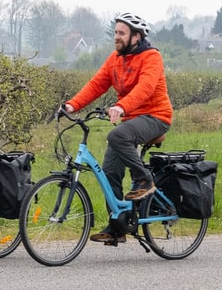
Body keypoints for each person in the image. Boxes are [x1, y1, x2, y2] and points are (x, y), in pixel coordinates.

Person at [60, 12, 173, 245]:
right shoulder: (115, 59)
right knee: (109, 170)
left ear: (136, 36)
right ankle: (118, 225)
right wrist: (72, 105)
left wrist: (121, 106)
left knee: (117, 135)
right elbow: (96, 84)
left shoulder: (151, 57)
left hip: (155, 117)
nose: (116, 37)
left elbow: (146, 87)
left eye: (122, 33)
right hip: (131, 121)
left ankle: (145, 180)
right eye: (115, 32)